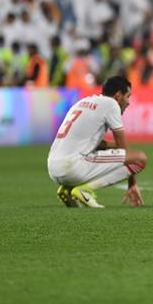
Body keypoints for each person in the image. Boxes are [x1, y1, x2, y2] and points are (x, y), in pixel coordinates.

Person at [46, 76, 147, 209]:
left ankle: (68, 189)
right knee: (139, 158)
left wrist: (113, 145)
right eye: (128, 96)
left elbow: (91, 142)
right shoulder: (111, 104)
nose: (128, 102)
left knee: (106, 154)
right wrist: (132, 184)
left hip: (53, 167)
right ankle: (85, 189)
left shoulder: (83, 102)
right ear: (118, 96)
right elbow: (124, 151)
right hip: (74, 167)